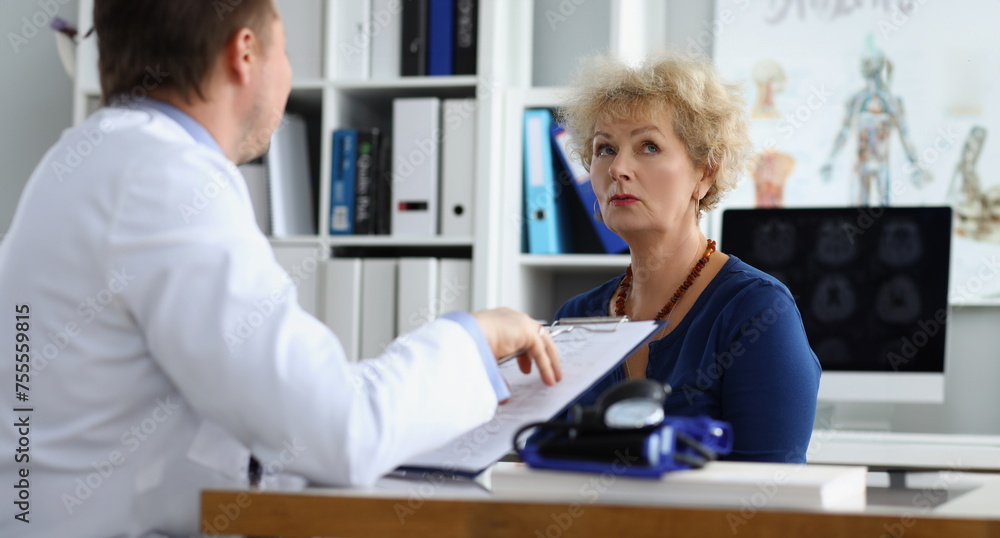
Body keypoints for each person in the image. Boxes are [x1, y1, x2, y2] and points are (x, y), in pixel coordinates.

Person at [0, 1, 560, 536]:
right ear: (244, 53)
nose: (287, 73)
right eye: (284, 49)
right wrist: (474, 338)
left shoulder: (82, 160)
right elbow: (344, 432)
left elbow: (248, 416)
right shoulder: (168, 178)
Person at [553, 53, 820, 463]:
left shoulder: (757, 311)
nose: (619, 168)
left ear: (705, 173)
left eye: (648, 146)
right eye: (605, 149)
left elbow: (768, 503)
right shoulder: (575, 319)